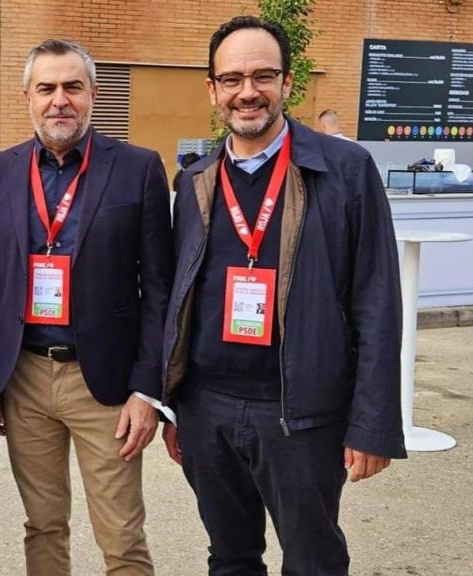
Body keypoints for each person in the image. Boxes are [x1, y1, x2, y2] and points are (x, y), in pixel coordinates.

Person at [159, 16, 406, 575]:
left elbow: (377, 301)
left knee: (314, 560)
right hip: (207, 409)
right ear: (213, 89)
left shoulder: (344, 170)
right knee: (230, 556)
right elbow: (177, 298)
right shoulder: (195, 179)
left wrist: (372, 423)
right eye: (232, 79)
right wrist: (173, 405)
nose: (248, 91)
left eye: (263, 75)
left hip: (300, 414)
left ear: (287, 82)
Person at [0, 39, 173, 575]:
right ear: (28, 98)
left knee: (121, 534)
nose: (59, 100)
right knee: (43, 525)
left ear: (93, 94)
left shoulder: (138, 168)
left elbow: (159, 290)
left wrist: (147, 390)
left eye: (72, 87)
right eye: (47, 88)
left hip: (104, 384)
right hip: (24, 380)